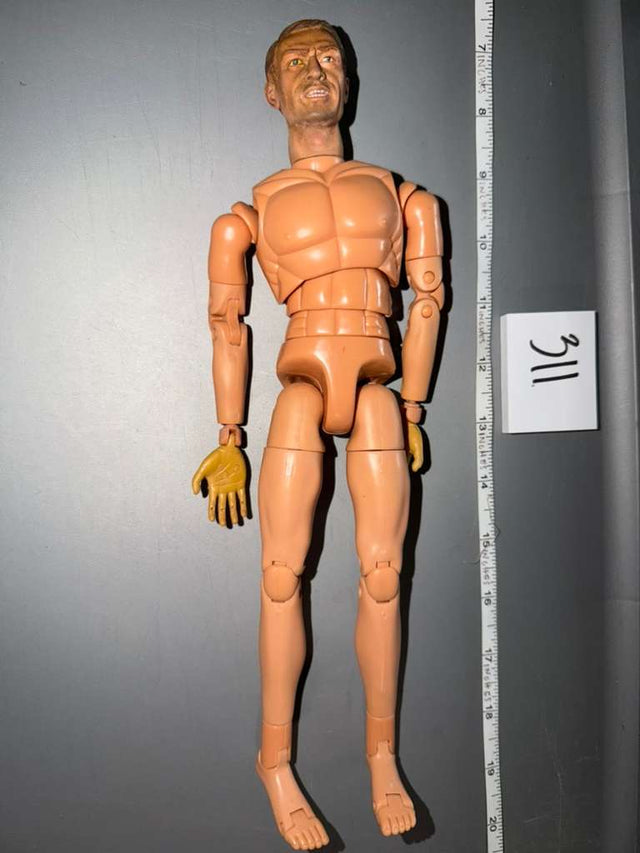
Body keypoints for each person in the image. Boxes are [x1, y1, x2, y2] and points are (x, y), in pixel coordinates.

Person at [192, 19, 444, 850]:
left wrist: (415, 407)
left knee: (384, 575)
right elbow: (227, 324)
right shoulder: (247, 213)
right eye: (295, 61)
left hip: (377, 390)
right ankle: (275, 761)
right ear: (271, 90)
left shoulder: (403, 197)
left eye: (329, 58)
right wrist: (228, 433)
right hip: (300, 388)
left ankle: (382, 754)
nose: (314, 70)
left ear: (350, 80)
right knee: (280, 576)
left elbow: (429, 299)